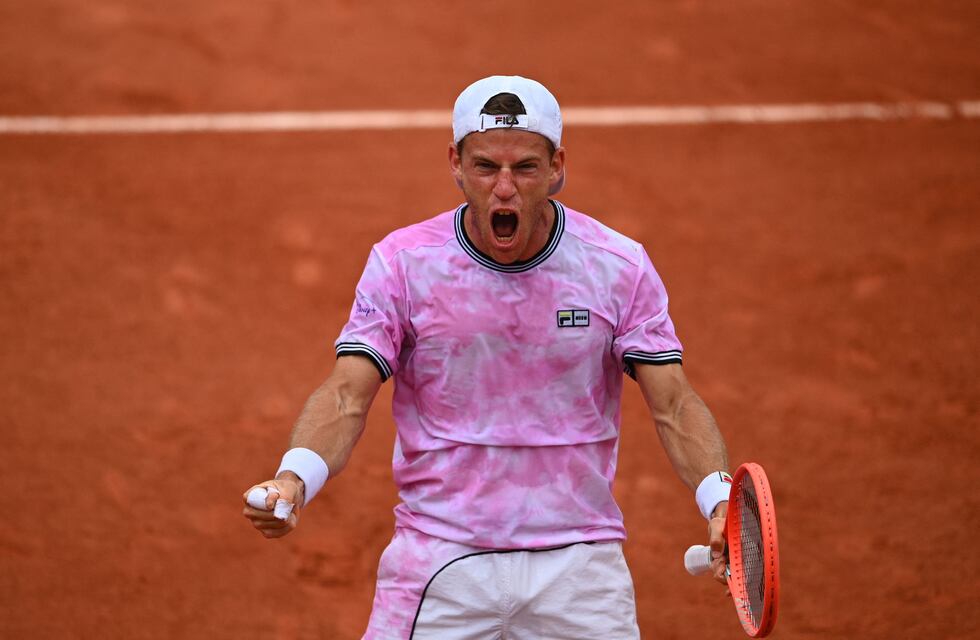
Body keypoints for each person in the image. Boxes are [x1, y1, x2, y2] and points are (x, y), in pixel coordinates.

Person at [242, 75, 731, 639]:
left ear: (557, 167)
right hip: (440, 559)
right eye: (485, 167)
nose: (505, 189)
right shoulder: (404, 264)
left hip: (579, 563)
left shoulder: (617, 267)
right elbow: (348, 393)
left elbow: (673, 402)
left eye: (524, 167)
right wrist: (293, 479)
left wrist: (719, 499)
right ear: (455, 163)